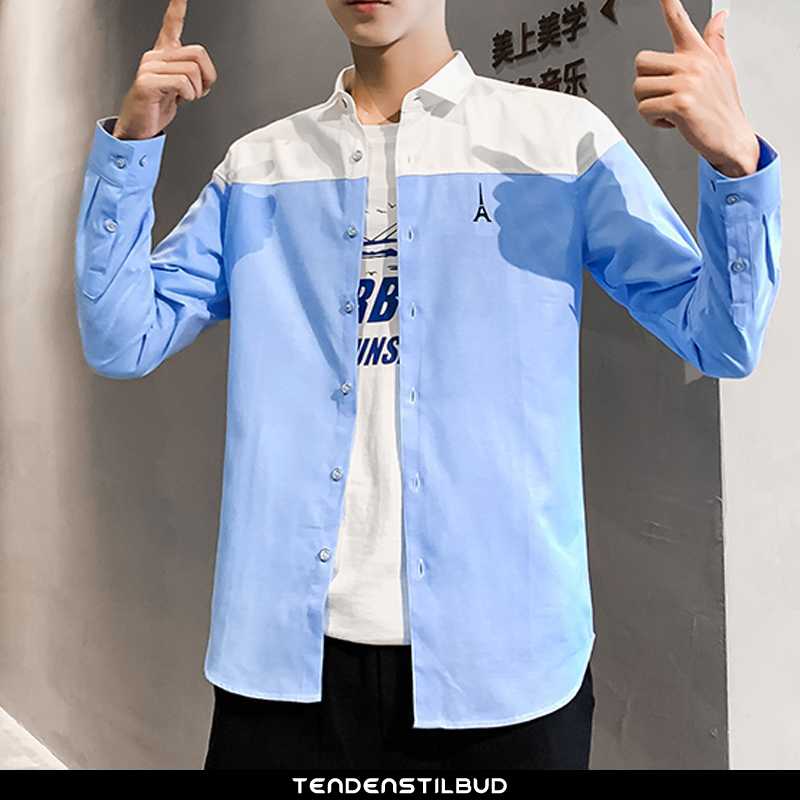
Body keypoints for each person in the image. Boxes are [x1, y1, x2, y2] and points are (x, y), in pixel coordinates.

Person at [74, 0, 781, 770]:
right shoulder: (259, 168)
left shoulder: (560, 141)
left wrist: (735, 164)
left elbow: (721, 339)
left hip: (505, 667)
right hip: (285, 664)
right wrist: (132, 146)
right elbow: (122, 337)